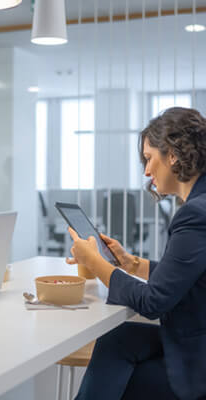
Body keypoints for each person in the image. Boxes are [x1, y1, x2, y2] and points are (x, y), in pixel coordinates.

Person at [67, 107, 206, 400]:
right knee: (117, 339)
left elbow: (153, 301)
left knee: (119, 382)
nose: (146, 171)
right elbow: (187, 276)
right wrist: (131, 264)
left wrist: (94, 260)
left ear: (173, 155)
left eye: (148, 159)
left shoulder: (195, 213)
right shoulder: (200, 203)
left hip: (197, 362)